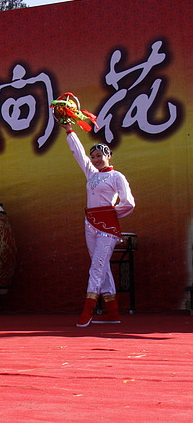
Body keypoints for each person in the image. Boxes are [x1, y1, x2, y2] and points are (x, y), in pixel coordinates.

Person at [53, 93, 135, 327]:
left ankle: (88, 309)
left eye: (100, 156)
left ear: (109, 156)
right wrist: (69, 130)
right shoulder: (91, 173)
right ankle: (112, 311)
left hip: (107, 225)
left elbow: (129, 202)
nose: (96, 159)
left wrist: (111, 214)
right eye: (94, 156)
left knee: (97, 265)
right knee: (101, 264)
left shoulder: (116, 176)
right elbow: (77, 153)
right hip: (90, 224)